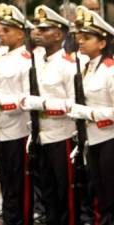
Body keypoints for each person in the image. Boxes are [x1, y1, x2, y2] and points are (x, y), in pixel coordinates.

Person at [21, 5, 77, 225]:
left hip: (61, 136)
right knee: (47, 194)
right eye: (38, 28)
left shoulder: (68, 65)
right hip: (40, 136)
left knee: (67, 196)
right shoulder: (37, 62)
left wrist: (43, 103)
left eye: (45, 29)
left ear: (59, 34)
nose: (39, 32)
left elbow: (74, 104)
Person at [0, 4, 33, 225]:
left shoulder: (26, 61)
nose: (1, 33)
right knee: (5, 183)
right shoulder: (0, 57)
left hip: (18, 130)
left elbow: (27, 99)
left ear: (21, 33)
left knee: (19, 185)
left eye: (7, 30)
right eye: (1, 29)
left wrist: (0, 100)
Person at [68, 7, 114, 225]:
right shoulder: (86, 69)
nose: (81, 41)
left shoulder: (110, 70)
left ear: (103, 43)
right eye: (80, 37)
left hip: (109, 139)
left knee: (109, 196)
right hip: (92, 139)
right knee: (97, 194)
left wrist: (90, 113)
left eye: (87, 38)